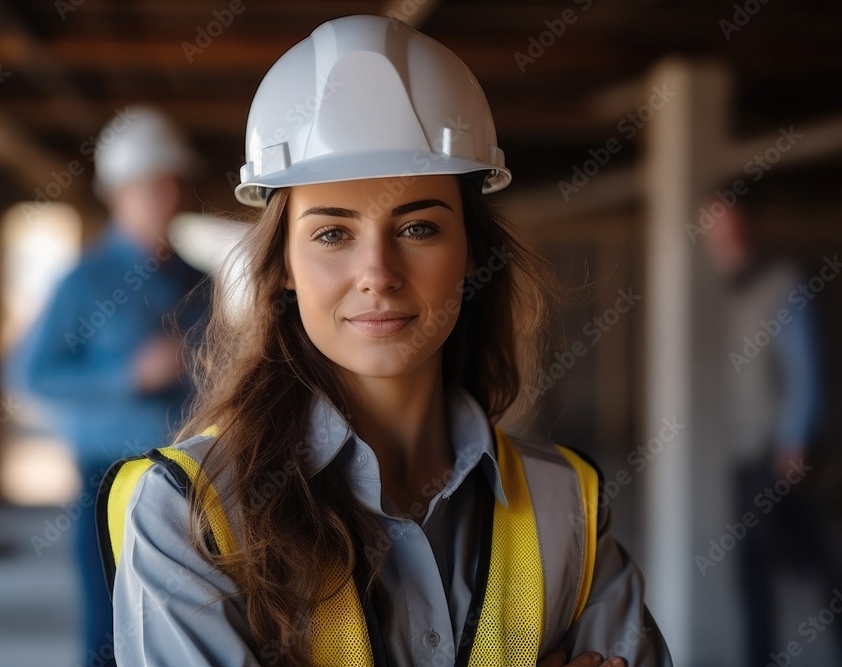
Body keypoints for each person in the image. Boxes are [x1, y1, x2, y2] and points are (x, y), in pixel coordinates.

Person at [102, 16, 672, 667]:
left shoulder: (563, 501)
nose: (377, 273)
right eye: (332, 234)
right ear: (284, 264)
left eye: (419, 228)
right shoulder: (189, 514)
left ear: (470, 251)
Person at [3, 106, 209, 667]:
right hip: (108, 478)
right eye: (149, 184)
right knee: (108, 629)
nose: (163, 195)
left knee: (183, 628)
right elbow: (26, 373)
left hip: (189, 475)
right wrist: (128, 377)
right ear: (117, 193)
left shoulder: (199, 282)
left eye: (170, 181)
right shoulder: (83, 280)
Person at [701, 189, 838, 667]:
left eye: (728, 223)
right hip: (741, 452)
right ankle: (758, 655)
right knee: (753, 565)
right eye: (713, 226)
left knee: (803, 556)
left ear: (745, 225)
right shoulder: (725, 288)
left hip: (775, 451)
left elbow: (806, 370)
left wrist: (795, 440)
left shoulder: (782, 283)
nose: (722, 235)